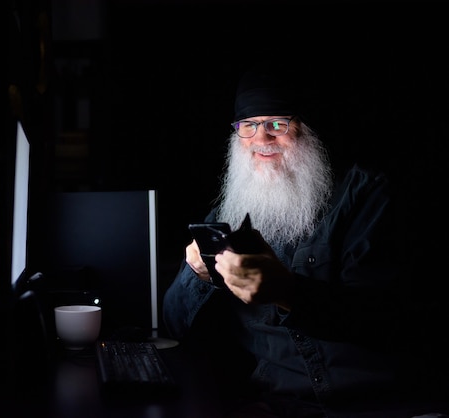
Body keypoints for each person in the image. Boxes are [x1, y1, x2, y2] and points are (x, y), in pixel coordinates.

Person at [162, 65, 449, 417]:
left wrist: (287, 292)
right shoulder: (231, 212)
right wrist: (196, 275)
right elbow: (174, 329)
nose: (261, 139)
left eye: (277, 124)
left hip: (371, 404)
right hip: (274, 404)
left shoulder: (369, 198)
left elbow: (391, 321)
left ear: (308, 129)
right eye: (248, 125)